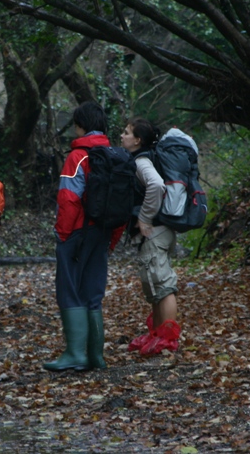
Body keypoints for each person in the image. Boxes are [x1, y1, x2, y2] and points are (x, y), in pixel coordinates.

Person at [45, 101, 122, 372]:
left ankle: (75, 354)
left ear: (80, 125)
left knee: (69, 290)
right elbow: (122, 202)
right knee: (93, 293)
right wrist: (112, 239)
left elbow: (69, 198)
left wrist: (63, 235)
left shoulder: (78, 156)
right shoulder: (115, 155)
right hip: (102, 232)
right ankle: (95, 356)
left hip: (77, 232)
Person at [120, 117, 181, 355]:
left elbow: (156, 186)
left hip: (155, 230)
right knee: (155, 284)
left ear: (137, 140)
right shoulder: (144, 159)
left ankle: (168, 340)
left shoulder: (142, 161)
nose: (122, 136)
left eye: (126, 133)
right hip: (157, 231)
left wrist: (144, 218)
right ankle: (156, 335)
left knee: (163, 285)